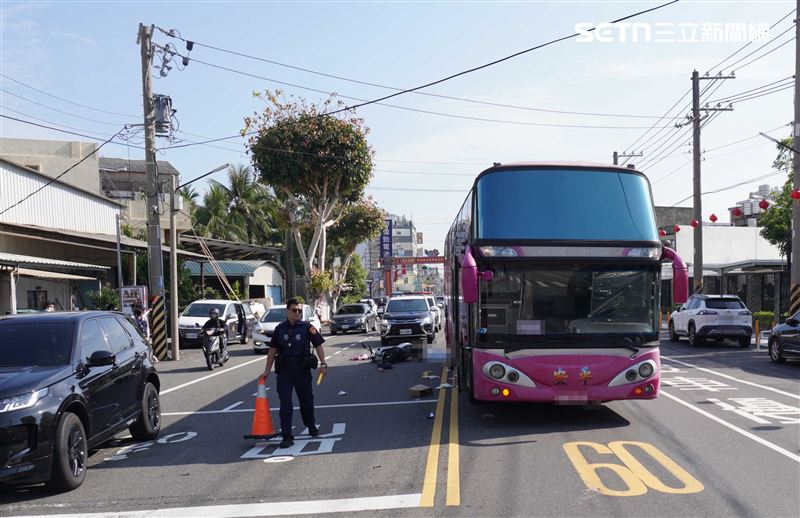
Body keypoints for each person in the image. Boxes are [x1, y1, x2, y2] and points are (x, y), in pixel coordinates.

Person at [259, 297, 327, 448]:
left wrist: (323, 364)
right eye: (294, 310)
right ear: (287, 311)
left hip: (302, 370)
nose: (297, 313)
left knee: (307, 402)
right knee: (285, 404)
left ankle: (311, 426)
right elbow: (272, 351)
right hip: (284, 372)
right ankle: (287, 436)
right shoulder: (280, 329)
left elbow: (318, 345)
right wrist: (266, 371)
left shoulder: (307, 327)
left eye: (299, 311)